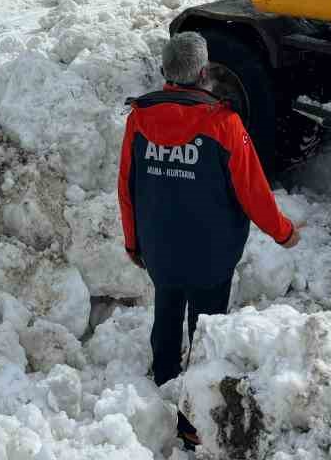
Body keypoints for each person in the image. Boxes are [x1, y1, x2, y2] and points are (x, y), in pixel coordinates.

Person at [118, 34, 299, 451]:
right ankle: (192, 422)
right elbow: (254, 191)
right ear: (203, 73)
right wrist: (283, 232)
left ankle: (163, 386)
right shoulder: (223, 123)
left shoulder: (139, 120)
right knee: (205, 332)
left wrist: (133, 243)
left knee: (166, 314)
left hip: (159, 250)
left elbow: (126, 188)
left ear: (166, 73)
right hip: (212, 257)